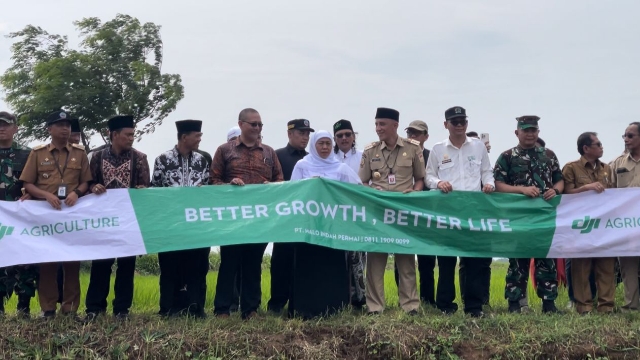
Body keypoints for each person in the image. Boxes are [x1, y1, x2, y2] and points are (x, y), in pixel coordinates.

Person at [211, 108, 284, 320]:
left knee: (253, 264)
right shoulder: (224, 150)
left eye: (260, 125)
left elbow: (280, 181)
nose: (258, 128)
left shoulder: (269, 152)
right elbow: (213, 181)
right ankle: (222, 309)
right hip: (232, 219)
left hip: (259, 219)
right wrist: (228, 185)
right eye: (254, 124)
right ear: (241, 124)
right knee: (229, 263)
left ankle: (250, 309)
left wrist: (271, 185)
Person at [20, 110, 92, 318]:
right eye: (60, 125)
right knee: (47, 264)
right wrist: (46, 195)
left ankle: (70, 309)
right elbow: (28, 184)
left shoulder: (79, 153)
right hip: (47, 215)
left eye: (67, 125)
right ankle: (48, 309)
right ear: (49, 129)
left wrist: (77, 193)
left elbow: (86, 181)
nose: (65, 129)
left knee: (72, 263)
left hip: (71, 214)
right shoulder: (38, 153)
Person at [426, 107, 495, 317]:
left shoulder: (478, 147)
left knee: (473, 260)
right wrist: (439, 183)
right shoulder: (438, 149)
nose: (459, 125)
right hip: (447, 211)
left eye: (462, 121)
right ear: (446, 124)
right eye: (454, 121)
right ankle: (446, 305)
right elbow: (429, 176)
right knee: (446, 260)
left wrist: (489, 184)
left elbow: (487, 172)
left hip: (472, 211)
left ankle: (473, 307)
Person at [493, 115, 564, 314]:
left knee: (545, 259)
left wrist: (555, 191)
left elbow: (560, 180)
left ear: (538, 132)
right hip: (517, 217)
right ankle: (514, 304)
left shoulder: (548, 155)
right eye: (526, 130)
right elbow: (498, 186)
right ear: (517, 133)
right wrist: (522, 190)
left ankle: (549, 304)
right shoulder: (507, 156)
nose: (530, 134)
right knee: (517, 260)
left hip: (543, 217)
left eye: (533, 130)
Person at [83, 115, 150, 321]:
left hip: (129, 221)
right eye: (127, 135)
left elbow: (145, 188)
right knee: (101, 264)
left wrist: (140, 190)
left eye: (133, 135)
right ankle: (94, 309)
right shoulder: (97, 157)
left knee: (126, 266)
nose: (131, 138)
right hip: (104, 221)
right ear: (113, 135)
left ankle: (122, 310)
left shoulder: (139, 158)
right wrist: (94, 186)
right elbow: (88, 183)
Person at [359, 107, 425, 315]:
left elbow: (420, 179)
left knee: (405, 260)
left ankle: (410, 305)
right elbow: (362, 182)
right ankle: (375, 307)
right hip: (378, 213)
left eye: (382, 124)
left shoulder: (413, 148)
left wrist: (414, 194)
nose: (378, 128)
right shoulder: (370, 151)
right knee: (375, 261)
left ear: (395, 126)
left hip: (402, 212)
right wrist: (373, 192)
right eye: (377, 124)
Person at [289, 130, 362, 319]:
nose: (324, 147)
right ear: (314, 145)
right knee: (307, 267)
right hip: (308, 228)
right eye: (320, 143)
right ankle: (304, 310)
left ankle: (333, 309)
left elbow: (356, 191)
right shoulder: (302, 165)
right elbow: (293, 192)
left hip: (332, 229)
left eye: (328, 144)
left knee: (332, 268)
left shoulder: (340, 168)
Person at [152, 120, 211, 318]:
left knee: (196, 266)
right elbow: (156, 189)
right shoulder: (162, 160)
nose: (200, 139)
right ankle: (168, 308)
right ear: (184, 137)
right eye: (197, 136)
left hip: (196, 224)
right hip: (171, 223)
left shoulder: (202, 160)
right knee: (170, 266)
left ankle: (195, 307)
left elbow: (208, 188)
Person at [562, 132, 614, 314]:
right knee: (581, 267)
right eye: (598, 144)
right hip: (580, 225)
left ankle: (606, 307)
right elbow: (565, 195)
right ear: (586, 148)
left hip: (603, 225)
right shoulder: (571, 168)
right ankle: (583, 307)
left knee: (606, 265)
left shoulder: (607, 169)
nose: (601, 147)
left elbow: (616, 196)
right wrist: (586, 188)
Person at [268, 119, 314, 314]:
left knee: (302, 262)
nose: (305, 137)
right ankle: (277, 304)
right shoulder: (277, 156)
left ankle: (298, 305)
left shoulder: (312, 159)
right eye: (301, 133)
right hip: (284, 219)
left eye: (307, 133)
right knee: (281, 261)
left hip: (305, 220)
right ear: (289, 133)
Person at [0, 111, 36, 318]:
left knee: (25, 261)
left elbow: (36, 183)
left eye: (6, 125)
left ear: (15, 128)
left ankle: (24, 308)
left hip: (21, 219)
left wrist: (31, 194)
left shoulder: (28, 154)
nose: (2, 128)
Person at [399, 120, 435, 306]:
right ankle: (402, 299)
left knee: (427, 259)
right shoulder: (399, 154)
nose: (412, 137)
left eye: (417, 134)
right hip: (404, 214)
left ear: (426, 137)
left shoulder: (432, 156)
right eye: (410, 133)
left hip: (426, 214)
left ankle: (428, 300)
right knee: (402, 255)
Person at [333, 119, 366, 309]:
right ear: (334, 138)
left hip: (357, 213)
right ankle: (340, 299)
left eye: (347, 134)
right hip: (335, 214)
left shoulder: (364, 156)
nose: (344, 138)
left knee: (358, 258)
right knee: (339, 258)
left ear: (354, 136)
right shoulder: (328, 157)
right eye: (339, 135)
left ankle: (359, 300)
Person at [611, 122, 640, 311]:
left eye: (630, 136)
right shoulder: (618, 163)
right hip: (626, 224)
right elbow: (607, 189)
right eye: (624, 136)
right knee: (628, 265)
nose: (626, 139)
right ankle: (631, 306)